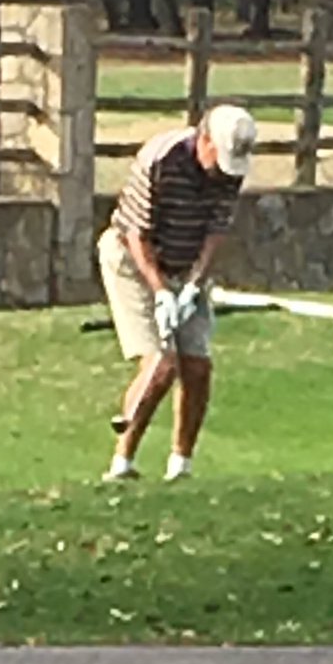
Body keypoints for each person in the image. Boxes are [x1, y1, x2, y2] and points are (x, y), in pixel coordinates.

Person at [97, 103, 257, 483]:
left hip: (185, 267)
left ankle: (180, 467)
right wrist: (160, 293)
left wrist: (192, 285)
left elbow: (216, 229)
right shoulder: (161, 159)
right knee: (162, 364)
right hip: (132, 262)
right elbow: (137, 234)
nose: (223, 171)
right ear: (204, 139)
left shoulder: (229, 171)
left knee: (198, 366)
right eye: (219, 159)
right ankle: (122, 464)